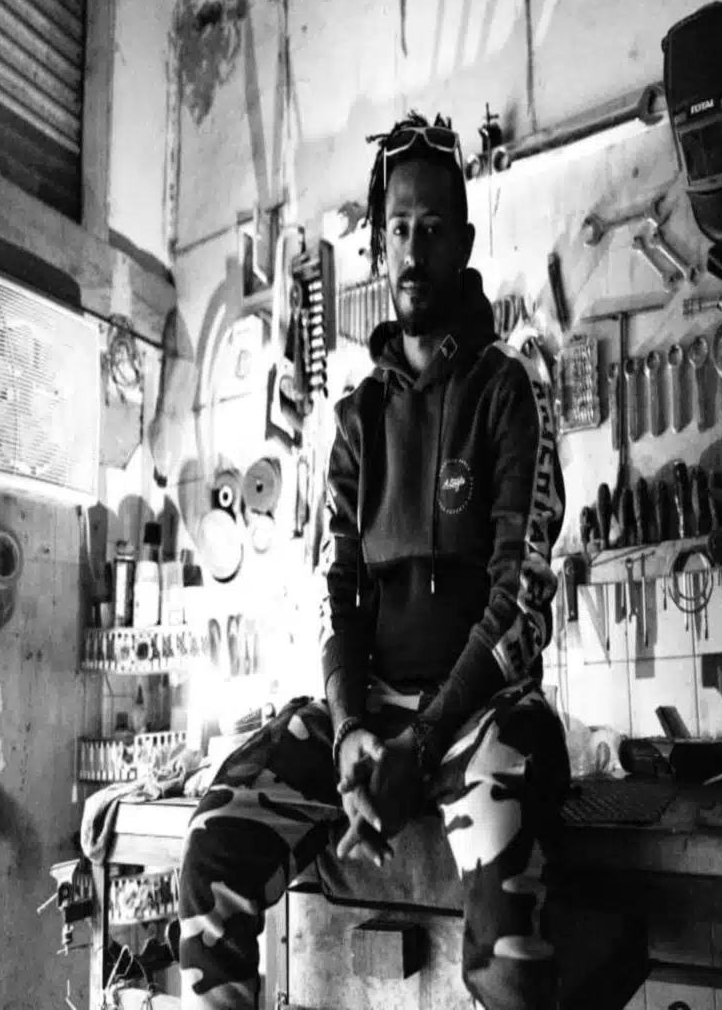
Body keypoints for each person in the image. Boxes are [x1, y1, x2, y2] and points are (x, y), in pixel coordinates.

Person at [178, 112, 570, 1010]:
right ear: (379, 246)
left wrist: (421, 745)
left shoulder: (509, 393)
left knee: (512, 939)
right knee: (213, 848)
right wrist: (353, 727)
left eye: (433, 229)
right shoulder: (356, 419)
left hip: (480, 718)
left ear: (463, 243)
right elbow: (336, 591)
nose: (413, 251)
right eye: (398, 229)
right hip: (372, 712)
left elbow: (521, 602)